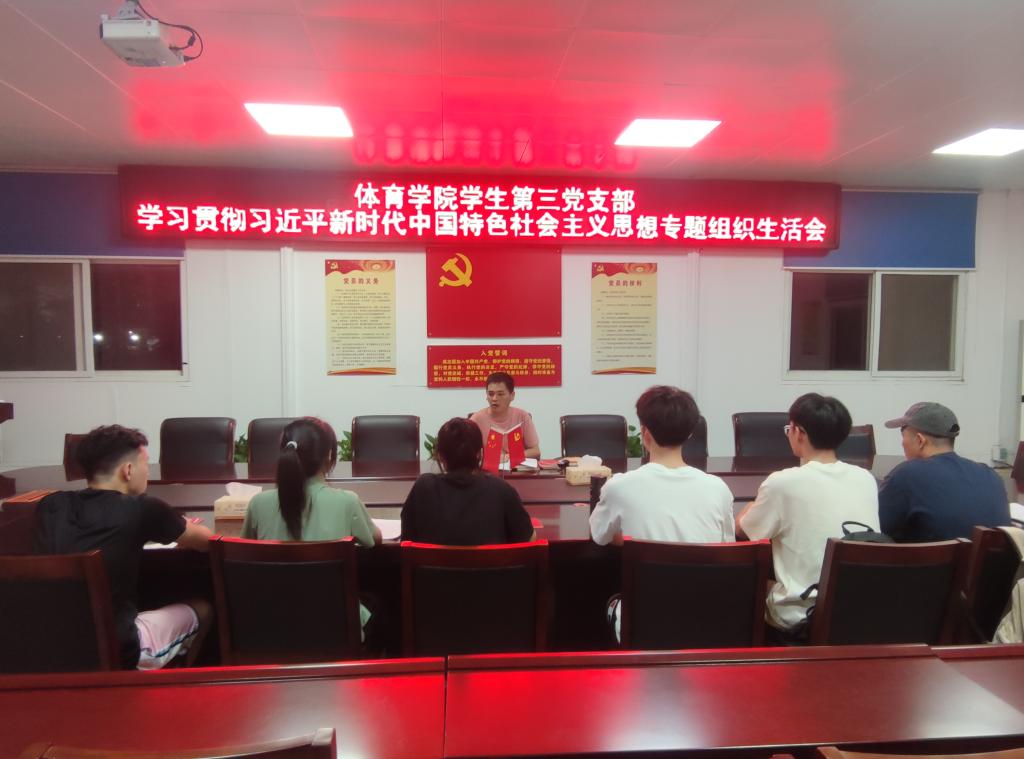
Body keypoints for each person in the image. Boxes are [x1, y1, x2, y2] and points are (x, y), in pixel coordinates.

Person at [32, 424, 214, 670]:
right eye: (145, 464)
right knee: (203, 610)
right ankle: (174, 686)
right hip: (118, 650)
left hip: (49, 646)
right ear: (128, 470)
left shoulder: (50, 506)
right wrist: (177, 523)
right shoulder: (143, 508)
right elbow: (206, 541)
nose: (147, 472)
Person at [737, 393, 879, 638]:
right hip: (857, 613)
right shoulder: (865, 478)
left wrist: (750, 506)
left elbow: (745, 532)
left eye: (789, 429)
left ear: (799, 432)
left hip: (801, 619)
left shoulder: (783, 483)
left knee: (742, 583)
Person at [590, 385, 734, 546]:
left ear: (645, 433)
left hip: (642, 564)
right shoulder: (718, 489)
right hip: (704, 564)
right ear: (690, 434)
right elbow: (727, 544)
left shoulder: (618, 487)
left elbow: (600, 535)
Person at [879, 402, 1010, 541]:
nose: (902, 443)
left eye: (903, 436)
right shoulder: (990, 475)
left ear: (920, 440)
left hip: (928, 556)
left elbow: (877, 528)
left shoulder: (906, 475)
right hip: (991, 555)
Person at [242, 417, 381, 545]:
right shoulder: (348, 502)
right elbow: (375, 540)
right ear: (329, 456)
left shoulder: (258, 504)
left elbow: (244, 550)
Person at [401, 417, 536, 545]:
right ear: (480, 454)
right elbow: (530, 540)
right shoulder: (501, 489)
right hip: (490, 563)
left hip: (431, 564)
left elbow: (407, 540)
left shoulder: (423, 488)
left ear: (440, 456)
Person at [469, 372, 541, 459]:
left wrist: (507, 457)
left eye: (500, 394)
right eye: (491, 394)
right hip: (487, 466)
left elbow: (535, 451)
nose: (494, 399)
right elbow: (468, 452)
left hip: (515, 466)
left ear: (512, 395)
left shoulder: (523, 417)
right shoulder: (476, 419)